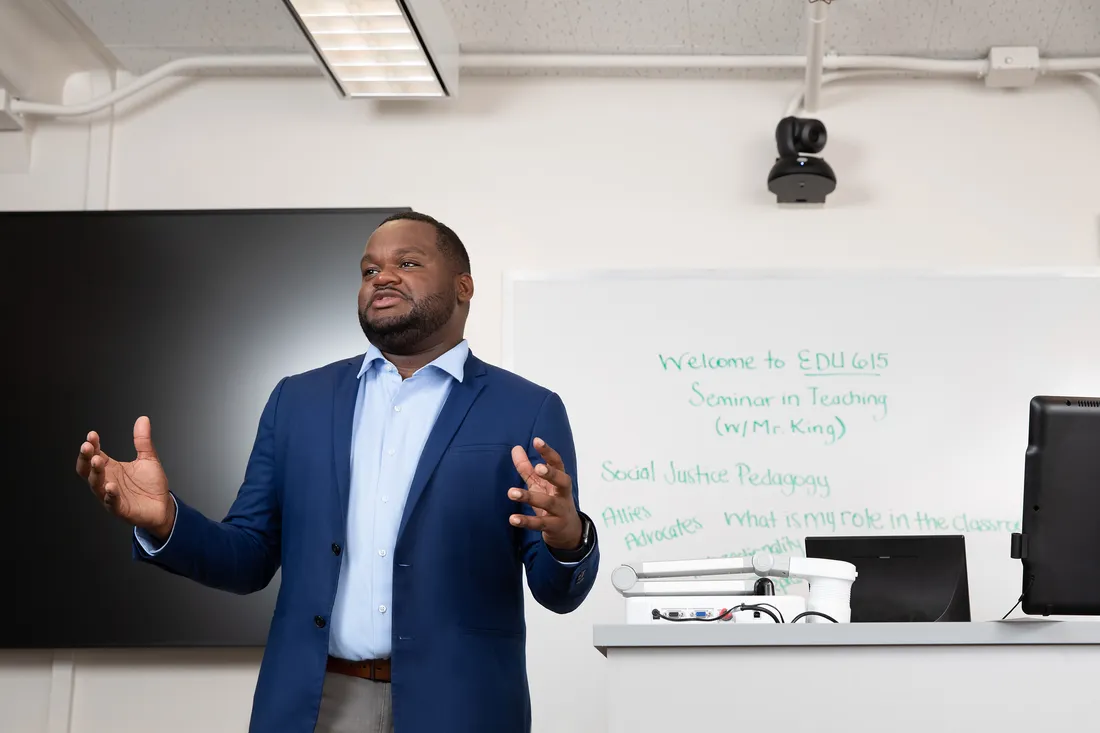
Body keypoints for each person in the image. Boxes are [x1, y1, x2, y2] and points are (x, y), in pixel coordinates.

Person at [74, 211, 599, 733]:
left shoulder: (525, 409)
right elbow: (249, 558)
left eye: (407, 262)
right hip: (315, 703)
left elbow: (559, 591)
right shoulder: (297, 400)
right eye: (369, 270)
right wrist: (167, 522)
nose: (383, 277)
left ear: (464, 286)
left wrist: (567, 536)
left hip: (462, 706)